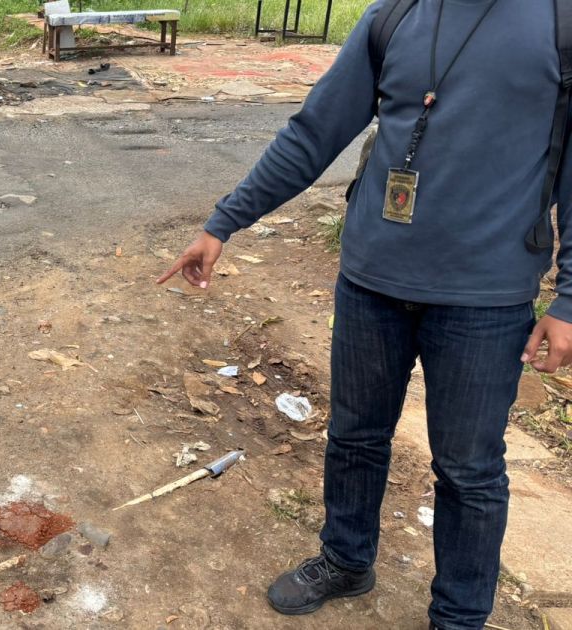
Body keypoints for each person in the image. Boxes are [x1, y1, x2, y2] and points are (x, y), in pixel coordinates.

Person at [158, 1, 571, 629]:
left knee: (468, 470)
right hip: (371, 281)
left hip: (485, 298)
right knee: (354, 435)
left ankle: (459, 615)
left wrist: (570, 299)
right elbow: (313, 132)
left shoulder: (560, 24)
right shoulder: (394, 16)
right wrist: (225, 222)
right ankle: (347, 558)